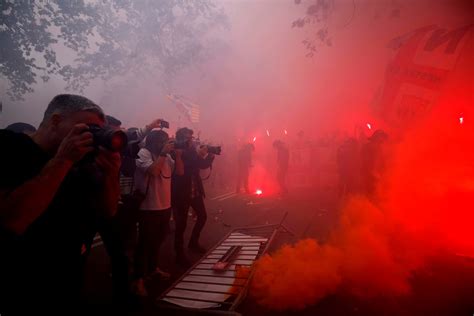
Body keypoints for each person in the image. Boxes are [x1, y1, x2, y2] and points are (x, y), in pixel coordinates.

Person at [0, 94, 121, 314]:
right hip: (17, 285)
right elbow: (11, 221)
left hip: (67, 282)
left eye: (98, 131)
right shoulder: (9, 147)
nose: (92, 137)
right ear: (56, 121)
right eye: (87, 128)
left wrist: (111, 175)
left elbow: (109, 211)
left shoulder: (83, 162)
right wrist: (63, 161)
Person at [132, 130, 178, 296]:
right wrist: (164, 153)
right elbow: (153, 171)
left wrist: (178, 155)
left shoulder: (167, 156)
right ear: (155, 141)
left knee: (158, 240)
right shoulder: (144, 153)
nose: (166, 143)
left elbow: (178, 172)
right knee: (144, 244)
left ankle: (152, 269)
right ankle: (138, 279)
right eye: (163, 141)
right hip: (148, 207)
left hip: (165, 205)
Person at [172, 127, 214, 265]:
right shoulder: (175, 151)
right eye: (188, 138)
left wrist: (210, 154)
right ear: (181, 139)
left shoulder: (192, 151)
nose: (191, 140)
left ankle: (193, 242)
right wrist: (199, 154)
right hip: (181, 193)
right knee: (181, 224)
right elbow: (183, 169)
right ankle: (179, 254)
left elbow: (202, 165)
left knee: (202, 216)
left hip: (194, 191)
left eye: (191, 137)